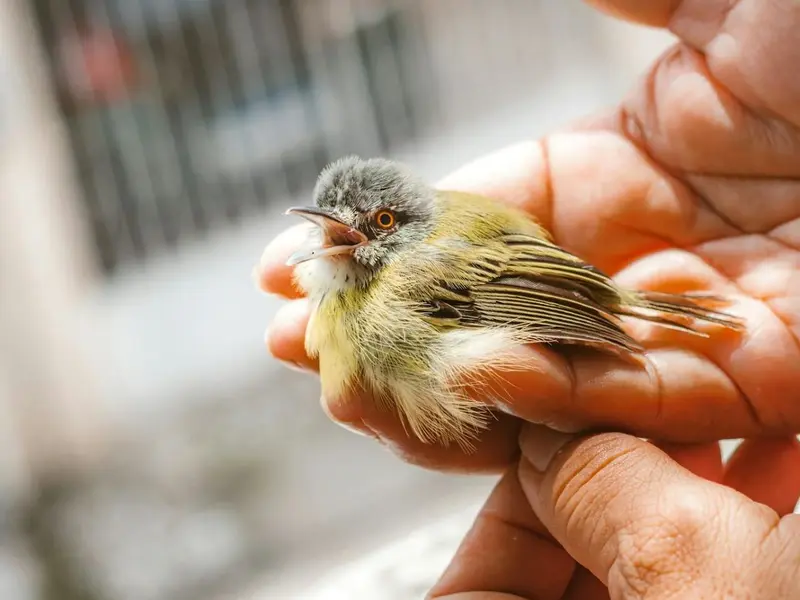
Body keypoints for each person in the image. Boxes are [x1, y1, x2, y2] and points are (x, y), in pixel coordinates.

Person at [256, 0, 800, 597]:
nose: (353, 234)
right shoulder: (345, 299)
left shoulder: (401, 284)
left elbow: (520, 293)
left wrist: (596, 324)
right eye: (331, 226)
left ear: (404, 222)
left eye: (380, 221)